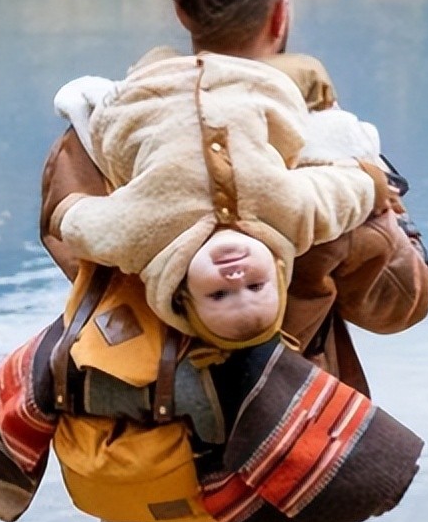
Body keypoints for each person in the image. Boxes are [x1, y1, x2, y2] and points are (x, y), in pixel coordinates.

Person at [37, 0, 428, 522]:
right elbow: (397, 308)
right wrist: (367, 215)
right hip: (276, 515)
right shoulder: (320, 142)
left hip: (136, 516)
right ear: (282, 13)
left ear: (182, 12)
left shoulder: (106, 133)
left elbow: (72, 250)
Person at [47, 49, 395, 347]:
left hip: (147, 92)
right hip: (250, 85)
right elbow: (340, 193)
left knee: (155, 58)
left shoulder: (142, 238)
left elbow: (85, 226)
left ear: (181, 293)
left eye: (218, 295)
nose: (235, 277)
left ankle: (161, 58)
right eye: (256, 285)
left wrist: (66, 212)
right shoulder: (293, 216)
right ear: (277, 272)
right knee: (306, 72)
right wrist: (374, 183)